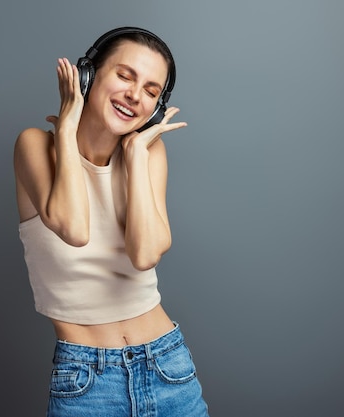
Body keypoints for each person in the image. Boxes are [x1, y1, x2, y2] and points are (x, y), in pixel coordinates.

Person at [14, 27, 209, 416]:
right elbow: (74, 227)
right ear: (89, 75)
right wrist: (66, 129)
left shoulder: (150, 155)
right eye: (125, 76)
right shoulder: (35, 146)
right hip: (87, 383)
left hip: (168, 367)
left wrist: (136, 155)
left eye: (152, 91)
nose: (135, 95)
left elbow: (145, 253)